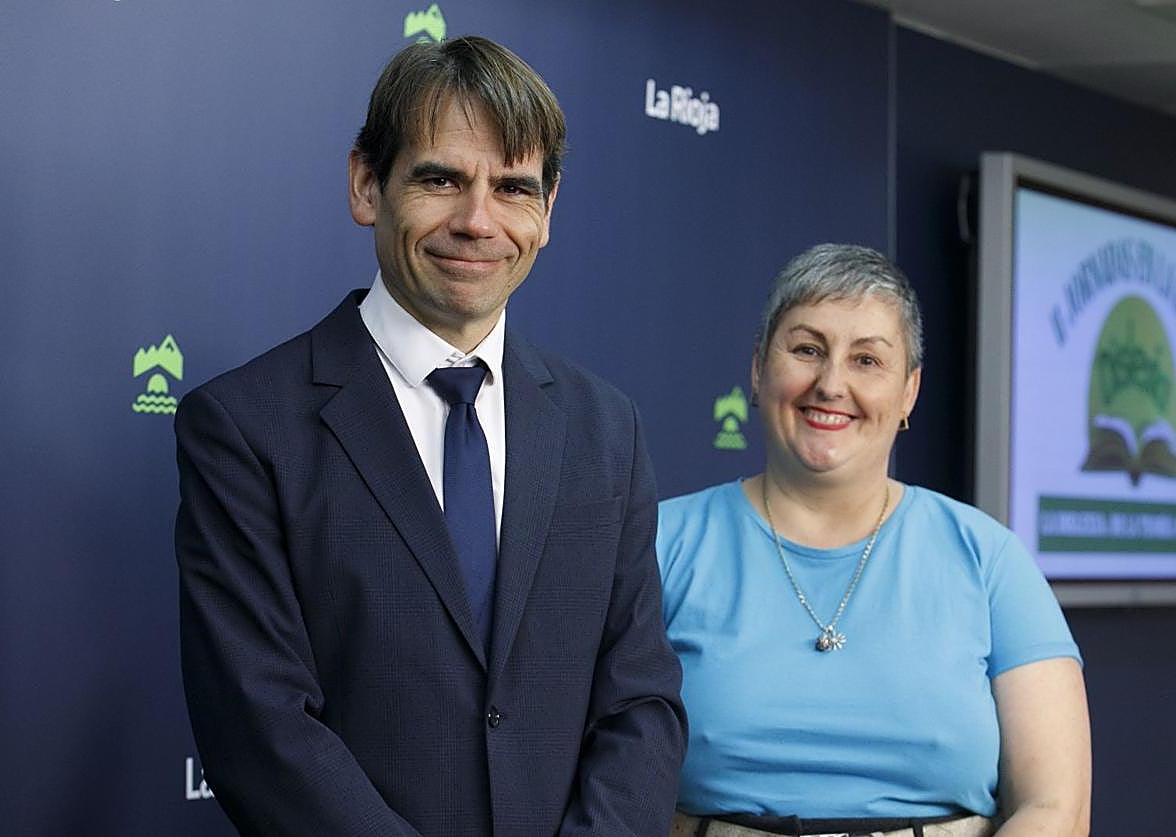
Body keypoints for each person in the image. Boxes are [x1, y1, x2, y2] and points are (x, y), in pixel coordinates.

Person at [175, 36, 686, 837]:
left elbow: (640, 701)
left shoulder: (605, 429)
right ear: (366, 184)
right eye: (441, 179)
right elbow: (261, 727)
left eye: (513, 187)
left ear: (547, 211)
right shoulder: (245, 428)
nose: (477, 221)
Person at [659, 244, 1090, 837]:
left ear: (909, 391)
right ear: (759, 369)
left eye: (867, 360)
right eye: (807, 350)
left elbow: (1054, 808)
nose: (831, 383)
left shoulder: (990, 560)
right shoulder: (661, 545)